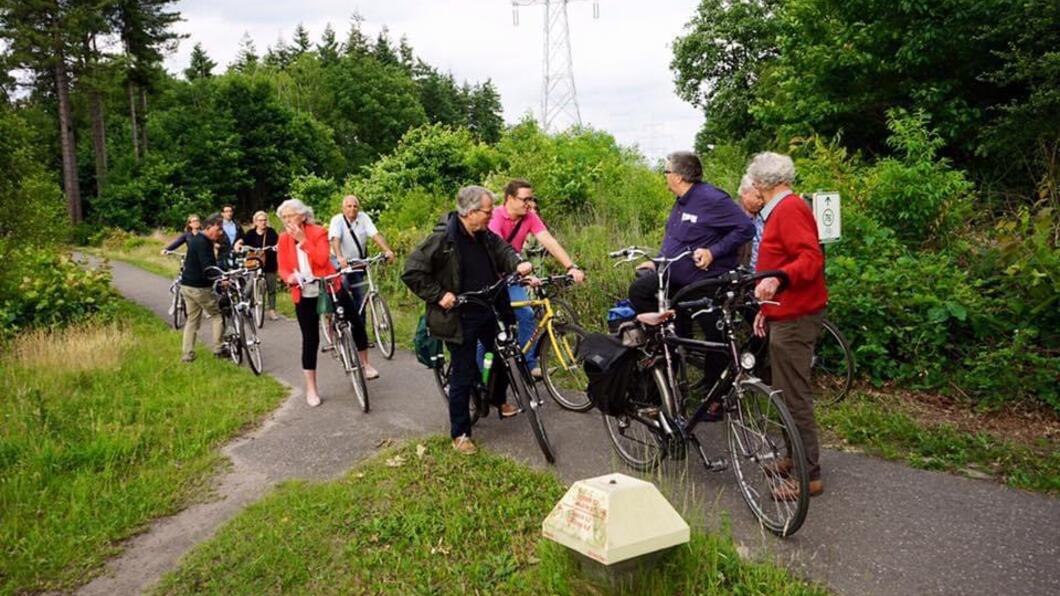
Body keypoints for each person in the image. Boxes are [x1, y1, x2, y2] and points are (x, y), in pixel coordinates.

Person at [402, 185, 533, 455]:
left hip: (489, 309)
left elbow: (504, 250)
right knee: (463, 373)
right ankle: (460, 433)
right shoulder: (442, 239)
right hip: (459, 316)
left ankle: (496, 399)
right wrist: (439, 295)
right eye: (487, 211)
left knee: (501, 354)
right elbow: (413, 271)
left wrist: (516, 263)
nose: (490, 215)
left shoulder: (484, 234)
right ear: (470, 212)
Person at [628, 151, 754, 393]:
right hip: (673, 277)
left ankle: (715, 391)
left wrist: (713, 252)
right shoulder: (681, 201)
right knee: (640, 291)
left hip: (702, 280)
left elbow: (745, 228)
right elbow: (676, 239)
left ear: (677, 176)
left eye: (666, 172)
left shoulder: (712, 199)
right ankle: (670, 353)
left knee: (714, 333)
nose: (664, 176)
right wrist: (656, 262)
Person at [748, 152, 828, 500]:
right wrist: (766, 307)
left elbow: (809, 258)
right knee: (782, 391)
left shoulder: (791, 208)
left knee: (794, 397)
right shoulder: (780, 209)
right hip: (784, 313)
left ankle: (808, 476)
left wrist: (778, 280)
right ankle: (791, 456)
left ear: (763, 183)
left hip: (797, 318)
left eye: (753, 182)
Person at [486, 179, 585, 378]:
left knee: (527, 315)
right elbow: (496, 249)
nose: (529, 203)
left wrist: (571, 266)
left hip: (513, 275)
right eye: (525, 199)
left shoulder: (529, 217)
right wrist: (525, 272)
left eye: (531, 198)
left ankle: (528, 365)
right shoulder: (495, 217)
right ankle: (481, 376)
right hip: (489, 277)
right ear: (510, 199)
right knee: (488, 327)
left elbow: (548, 240)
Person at [276, 198, 341, 407]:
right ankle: (311, 388)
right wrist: (289, 278)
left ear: (303, 216)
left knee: (353, 319)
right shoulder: (283, 239)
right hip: (302, 292)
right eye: (284, 217)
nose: (287, 220)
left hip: (327, 285)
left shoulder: (318, 232)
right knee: (310, 340)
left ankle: (364, 364)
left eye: (291, 215)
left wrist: (303, 240)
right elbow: (283, 267)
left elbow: (322, 260)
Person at [327, 195, 396, 380]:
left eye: (355, 206)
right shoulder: (337, 220)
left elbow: (375, 235)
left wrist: (387, 250)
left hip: (358, 262)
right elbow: (335, 239)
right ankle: (337, 325)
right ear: (343, 207)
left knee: (361, 300)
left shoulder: (364, 218)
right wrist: (340, 258)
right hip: (340, 261)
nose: (352, 209)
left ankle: (360, 335)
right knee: (343, 297)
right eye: (349, 206)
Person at [178, 214, 226, 362]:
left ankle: (187, 354)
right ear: (209, 227)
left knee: (192, 320)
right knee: (217, 315)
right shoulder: (203, 243)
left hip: (186, 285)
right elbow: (208, 267)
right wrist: (221, 279)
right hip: (199, 288)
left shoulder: (196, 239)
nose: (220, 233)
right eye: (218, 229)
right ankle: (219, 349)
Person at [243, 210, 280, 321]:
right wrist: (241, 246)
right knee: (249, 286)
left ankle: (272, 310)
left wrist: (275, 247)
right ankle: (245, 306)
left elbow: (277, 243)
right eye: (260, 220)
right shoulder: (250, 233)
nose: (263, 222)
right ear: (255, 222)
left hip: (269, 263)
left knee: (271, 287)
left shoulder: (271, 232)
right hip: (255, 263)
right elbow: (244, 243)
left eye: (264, 220)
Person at [737, 174, 766, 269]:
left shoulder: (766, 214)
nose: (761, 202)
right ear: (744, 193)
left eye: (763, 198)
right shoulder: (732, 215)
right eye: (758, 197)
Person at [218, 204, 244, 268]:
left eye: (230, 211)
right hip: (222, 255)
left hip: (236, 255)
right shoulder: (218, 226)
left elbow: (243, 237)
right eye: (226, 211)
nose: (229, 213)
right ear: (222, 213)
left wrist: (240, 241)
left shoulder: (237, 224)